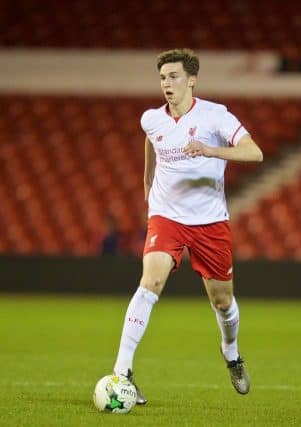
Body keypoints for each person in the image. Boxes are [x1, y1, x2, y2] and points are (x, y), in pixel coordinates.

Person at [112, 48, 263, 404]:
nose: (167, 83)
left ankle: (231, 354)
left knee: (222, 301)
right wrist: (147, 178)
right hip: (166, 215)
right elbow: (151, 139)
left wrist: (212, 151)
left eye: (174, 76)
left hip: (210, 220)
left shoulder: (215, 116)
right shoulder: (151, 118)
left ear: (192, 79)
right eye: (163, 77)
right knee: (150, 281)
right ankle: (123, 371)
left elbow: (254, 152)